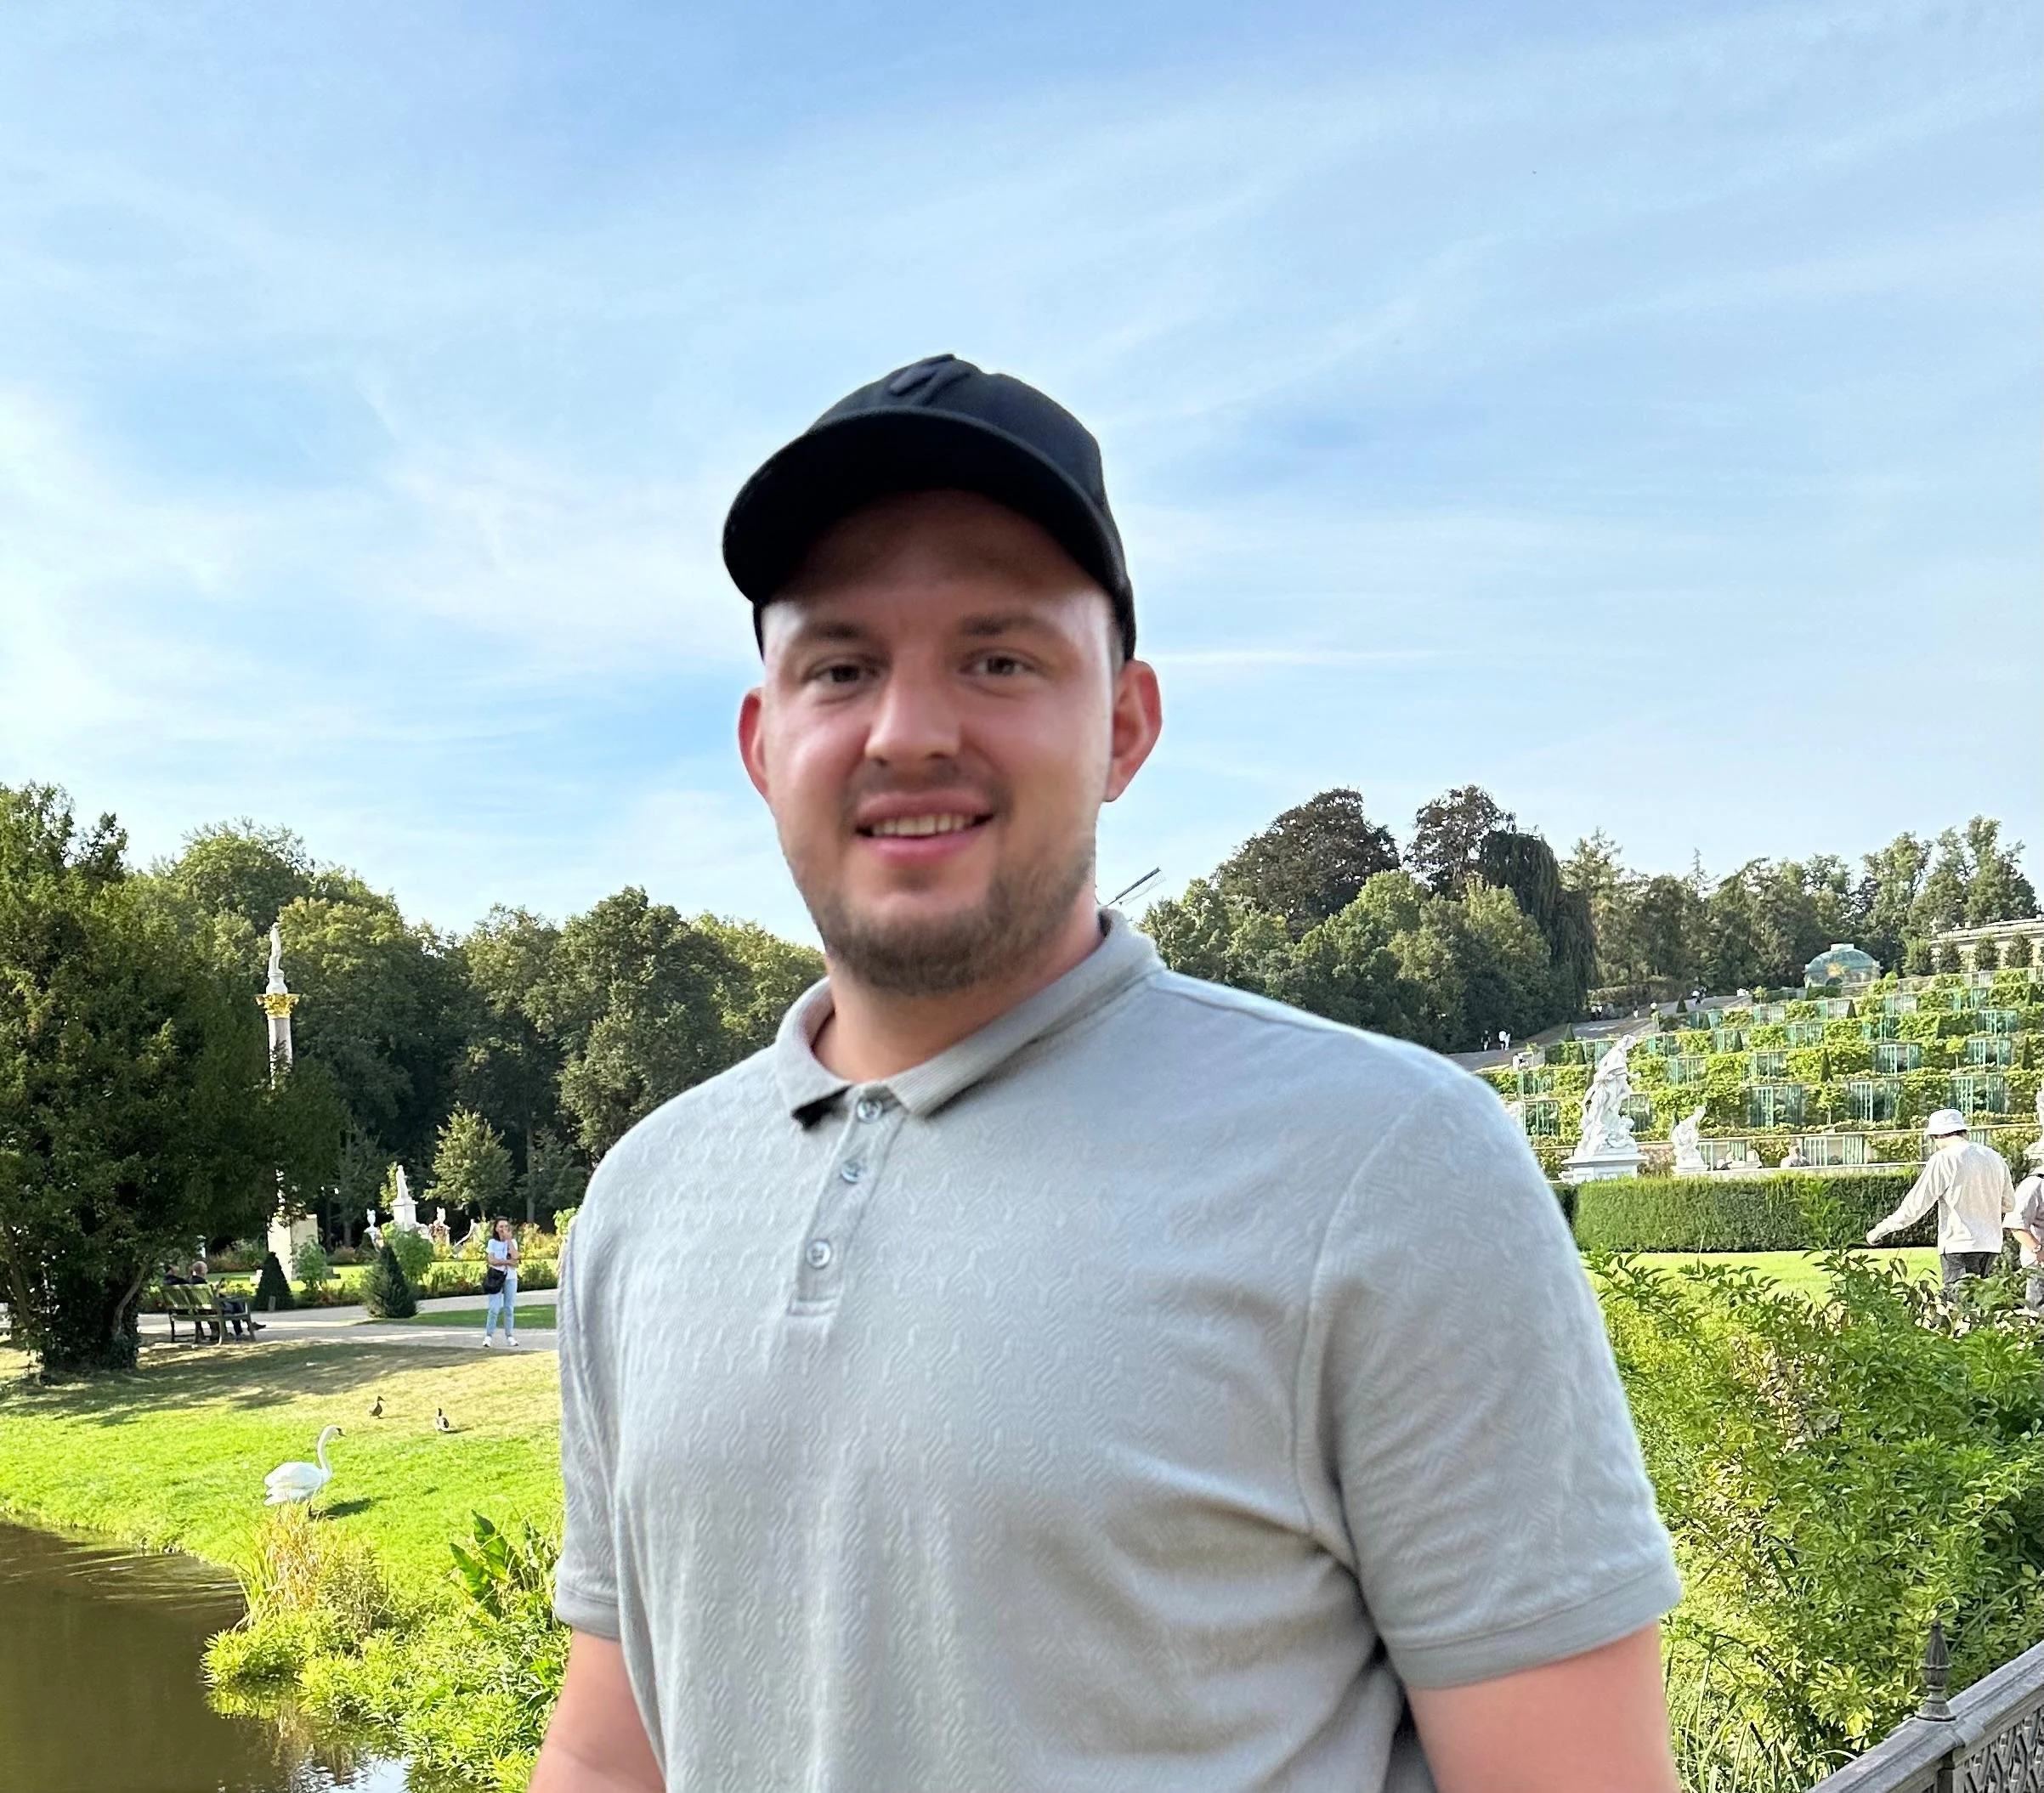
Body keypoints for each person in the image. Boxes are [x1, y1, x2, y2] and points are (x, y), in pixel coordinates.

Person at [532, 354, 1682, 1793]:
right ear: (767, 743)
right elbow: (605, 1747)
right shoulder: (643, 1200)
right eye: (842, 667)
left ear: (1126, 726)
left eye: (999, 657)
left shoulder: (1389, 1168)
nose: (909, 730)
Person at [1866, 1107, 2016, 1289]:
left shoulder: (1944, 1158)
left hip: (1959, 1245)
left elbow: (1916, 1204)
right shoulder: (1994, 1157)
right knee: (1980, 1305)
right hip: (1990, 1244)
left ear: (1936, 1136)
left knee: (1957, 1307)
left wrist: (1880, 1230)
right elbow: (2009, 1204)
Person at [2007, 1145, 2044, 1316]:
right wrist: (2039, 1250)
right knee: (2038, 1321)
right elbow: (2016, 1224)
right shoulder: (2034, 1184)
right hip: (2040, 1268)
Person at [482, 1217, 519, 1349]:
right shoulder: (492, 1242)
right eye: (501, 1227)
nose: (504, 1229)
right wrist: (508, 1262)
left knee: (509, 1308)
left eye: (506, 1226)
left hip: (510, 1278)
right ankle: (488, 1336)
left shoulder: (512, 1241)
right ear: (496, 1229)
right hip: (496, 1277)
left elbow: (515, 1257)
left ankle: (509, 1335)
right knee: (494, 1308)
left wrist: (508, 1241)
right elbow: (492, 1260)